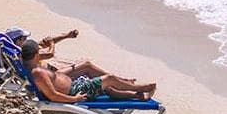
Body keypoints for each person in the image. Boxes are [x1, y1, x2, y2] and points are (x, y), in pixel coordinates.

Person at [18, 32, 156, 103]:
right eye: (39, 51)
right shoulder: (37, 72)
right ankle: (140, 88)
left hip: (74, 85)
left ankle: (136, 95)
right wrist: (75, 99)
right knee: (109, 79)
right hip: (75, 91)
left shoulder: (27, 62)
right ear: (36, 54)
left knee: (105, 86)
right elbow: (53, 95)